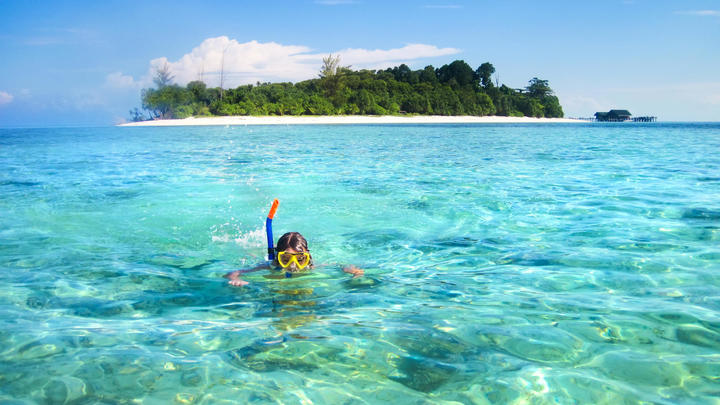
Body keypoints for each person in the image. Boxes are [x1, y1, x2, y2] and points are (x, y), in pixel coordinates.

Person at [225, 231, 364, 286]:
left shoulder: (312, 267)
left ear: (307, 257)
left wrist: (349, 269)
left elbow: (339, 264)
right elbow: (232, 273)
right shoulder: (269, 266)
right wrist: (235, 279)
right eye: (286, 259)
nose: (293, 265)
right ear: (278, 258)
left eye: (300, 259)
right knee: (252, 254)